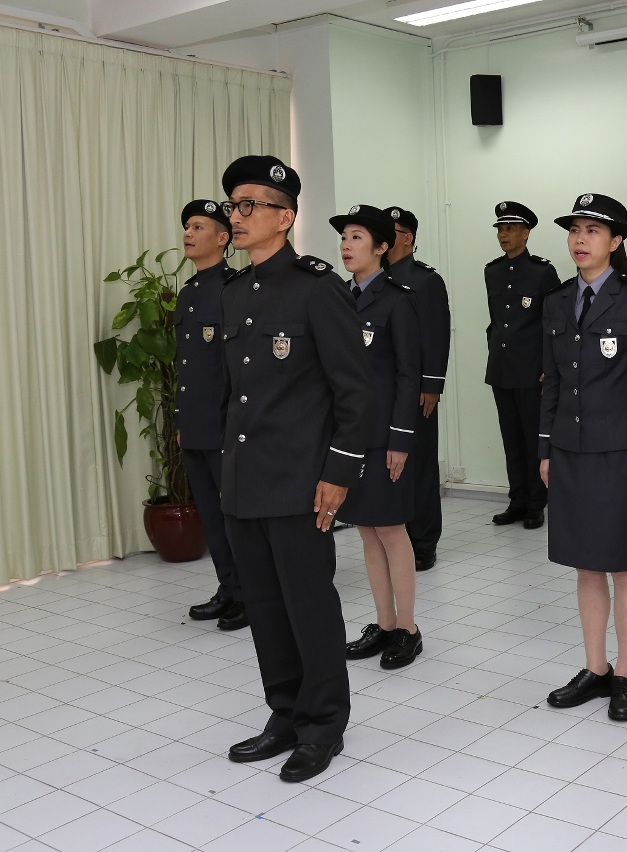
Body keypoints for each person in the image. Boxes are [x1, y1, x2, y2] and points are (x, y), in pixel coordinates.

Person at [218, 156, 373, 783]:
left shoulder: (317, 288)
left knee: (309, 604)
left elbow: (355, 392)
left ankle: (323, 725)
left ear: (286, 217)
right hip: (245, 479)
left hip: (302, 480)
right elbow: (239, 395)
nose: (238, 214)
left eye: (251, 204)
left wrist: (337, 473)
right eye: (233, 203)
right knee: (264, 604)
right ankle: (284, 713)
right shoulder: (230, 292)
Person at [540, 193, 627, 722]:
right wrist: (545, 447)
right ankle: (595, 668)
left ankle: (625, 674)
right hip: (569, 451)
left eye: (593, 231)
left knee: (623, 565)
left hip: (619, 454)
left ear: (616, 243)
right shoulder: (555, 301)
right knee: (586, 564)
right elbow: (549, 383)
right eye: (574, 230)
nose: (580, 239)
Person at [334, 205, 425, 671]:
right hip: (351, 435)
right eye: (344, 238)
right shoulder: (338, 297)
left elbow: (410, 375)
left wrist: (401, 439)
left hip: (386, 435)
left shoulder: (398, 300)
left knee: (390, 530)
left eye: (357, 238)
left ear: (383, 247)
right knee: (367, 530)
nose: (347, 246)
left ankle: (408, 628)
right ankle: (384, 623)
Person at [175, 199, 247, 631]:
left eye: (198, 226)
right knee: (212, 515)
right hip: (197, 425)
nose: (188, 233)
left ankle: (251, 595)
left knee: (236, 518)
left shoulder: (234, 289)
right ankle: (229, 588)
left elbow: (235, 368)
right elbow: (189, 367)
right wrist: (184, 423)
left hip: (226, 426)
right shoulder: (189, 291)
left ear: (223, 238)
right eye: (186, 226)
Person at [485, 201, 562, 529]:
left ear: (526, 232)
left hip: (533, 370)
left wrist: (550, 364)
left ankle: (536, 502)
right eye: (500, 228)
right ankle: (517, 500)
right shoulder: (492, 270)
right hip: (502, 368)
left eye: (511, 228)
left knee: (534, 439)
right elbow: (496, 320)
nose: (504, 234)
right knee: (511, 437)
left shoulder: (543, 272)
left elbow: (556, 323)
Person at [385, 207, 451, 572]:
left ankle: (424, 541)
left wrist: (432, 385)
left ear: (408, 236)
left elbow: (436, 334)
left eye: (392, 230)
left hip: (418, 390)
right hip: (385, 389)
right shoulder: (374, 277)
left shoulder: (425, 280)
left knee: (420, 464)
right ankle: (397, 534)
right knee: (390, 466)